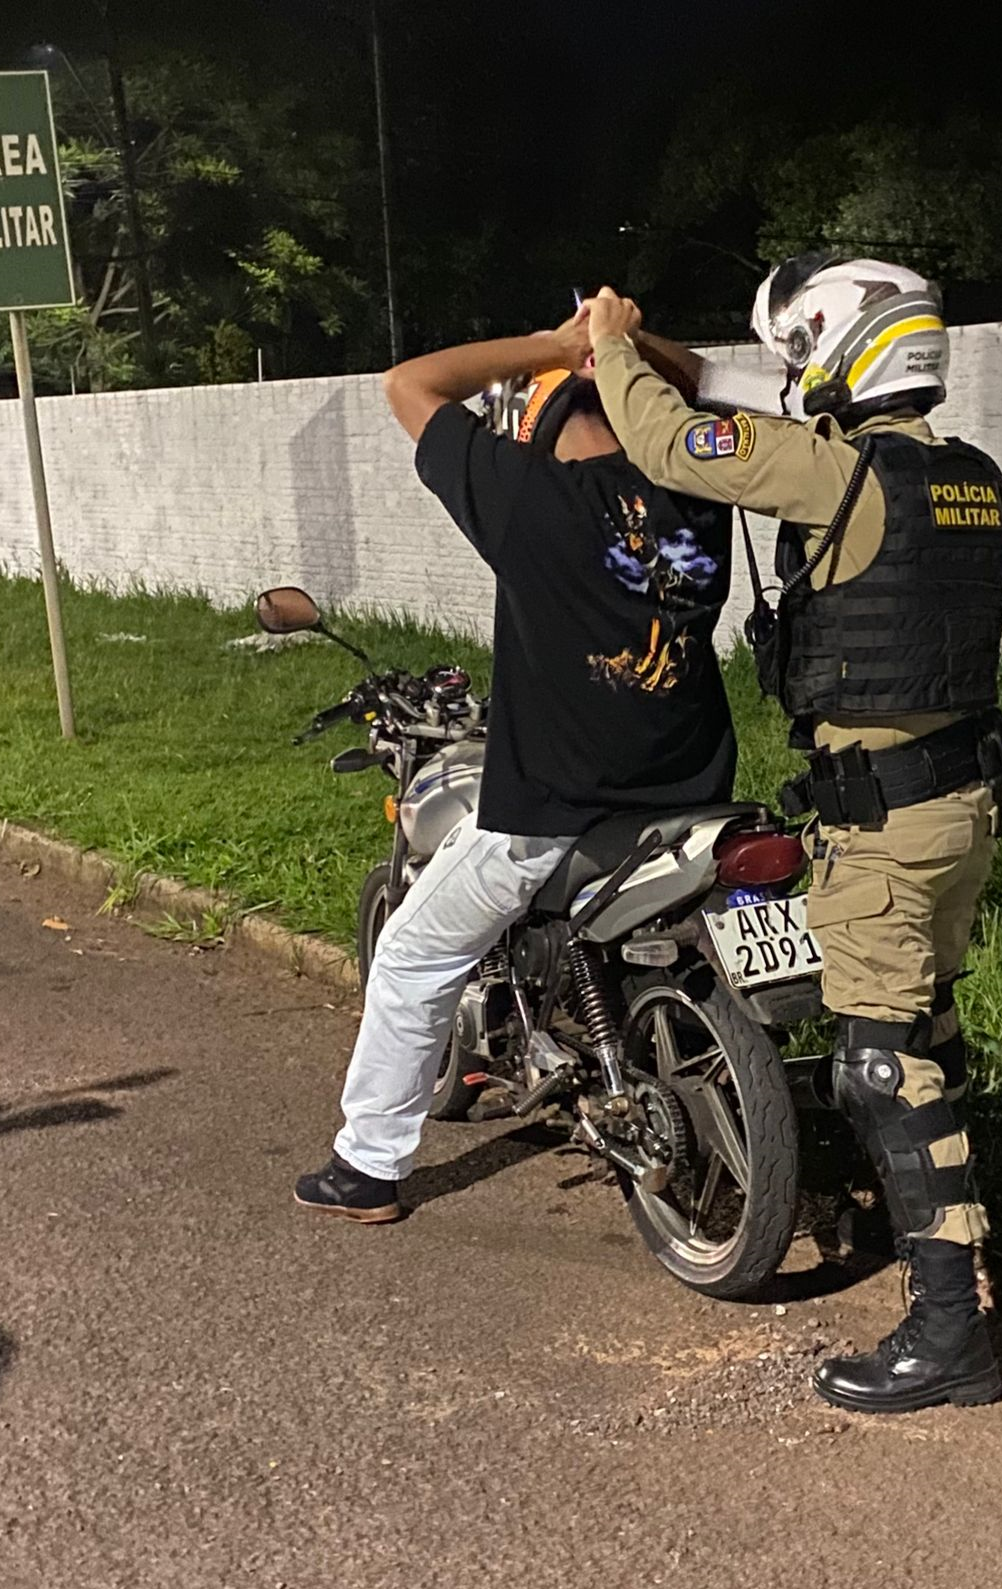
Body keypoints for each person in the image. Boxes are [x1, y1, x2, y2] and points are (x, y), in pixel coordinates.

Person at [579, 259, 1002, 1414]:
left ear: (843, 347)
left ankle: (950, 1333)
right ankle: (956, 1238)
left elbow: (672, 445)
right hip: (961, 806)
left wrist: (613, 345)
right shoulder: (972, 479)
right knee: (929, 1034)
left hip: (883, 823)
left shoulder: (839, 475)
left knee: (880, 1065)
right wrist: (691, 366)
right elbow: (755, 410)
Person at [294, 313, 737, 1225]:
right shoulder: (697, 490)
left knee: (411, 954)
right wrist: (627, 341)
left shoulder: (526, 496)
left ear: (534, 426)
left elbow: (408, 383)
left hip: (557, 812)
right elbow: (717, 386)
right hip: (695, 792)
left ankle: (368, 1165)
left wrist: (558, 343)